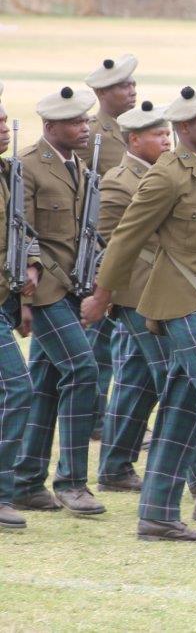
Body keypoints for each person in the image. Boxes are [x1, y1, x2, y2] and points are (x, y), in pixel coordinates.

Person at [83, 85, 196, 545]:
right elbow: (126, 238)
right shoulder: (167, 175)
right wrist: (102, 296)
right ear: (184, 128)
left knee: (183, 406)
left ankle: (158, 514)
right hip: (179, 302)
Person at [12, 87, 105, 517]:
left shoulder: (79, 167)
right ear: (51, 127)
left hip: (73, 287)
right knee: (83, 369)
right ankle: (71, 481)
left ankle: (26, 480)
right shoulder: (27, 167)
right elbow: (21, 231)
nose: (85, 128)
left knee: (48, 382)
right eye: (75, 123)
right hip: (44, 289)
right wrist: (25, 296)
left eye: (86, 121)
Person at [95, 101, 173, 494]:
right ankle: (186, 473)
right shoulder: (118, 180)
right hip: (136, 294)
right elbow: (113, 241)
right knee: (171, 377)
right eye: (159, 135)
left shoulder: (165, 174)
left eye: (167, 133)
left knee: (140, 381)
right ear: (135, 139)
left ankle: (114, 467)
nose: (167, 140)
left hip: (161, 291)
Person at [81, 55, 138, 442]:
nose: (131, 90)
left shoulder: (130, 130)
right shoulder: (91, 135)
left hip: (125, 245)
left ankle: (108, 417)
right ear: (103, 93)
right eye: (123, 86)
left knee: (116, 341)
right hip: (98, 245)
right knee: (96, 342)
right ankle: (94, 417)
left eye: (133, 84)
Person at [0, 93, 40, 530]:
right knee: (18, 388)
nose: (4, 128)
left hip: (5, 300)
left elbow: (24, 230)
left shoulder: (9, 173)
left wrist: (31, 263)